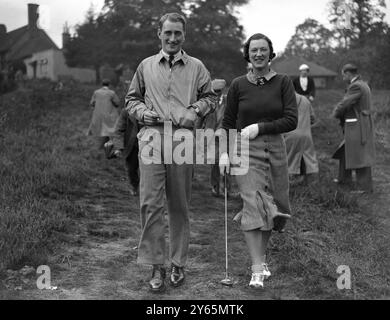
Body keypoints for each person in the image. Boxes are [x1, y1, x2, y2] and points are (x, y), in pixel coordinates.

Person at [125, 12, 216, 293]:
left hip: (182, 140)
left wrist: (195, 111)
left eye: (178, 33)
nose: (173, 38)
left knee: (178, 204)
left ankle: (177, 263)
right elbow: (131, 99)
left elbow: (211, 97)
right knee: (150, 203)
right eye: (168, 33)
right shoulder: (146, 65)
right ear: (159, 34)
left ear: (184, 36)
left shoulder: (197, 67)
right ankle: (156, 264)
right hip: (152, 138)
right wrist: (143, 113)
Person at [219, 33, 297, 289]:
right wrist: (224, 152)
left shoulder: (283, 82)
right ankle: (256, 270)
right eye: (254, 50)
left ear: (270, 53)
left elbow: (291, 120)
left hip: (275, 147)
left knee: (271, 206)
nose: (259, 54)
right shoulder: (239, 85)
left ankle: (261, 260)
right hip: (244, 149)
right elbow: (228, 122)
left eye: (264, 50)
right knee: (253, 202)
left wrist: (260, 128)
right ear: (248, 54)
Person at [331, 63, 375, 193]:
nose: (342, 77)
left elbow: (346, 103)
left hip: (357, 124)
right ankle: (344, 179)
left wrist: (335, 113)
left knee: (360, 155)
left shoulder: (355, 86)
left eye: (343, 74)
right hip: (361, 123)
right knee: (345, 150)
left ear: (348, 73)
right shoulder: (364, 84)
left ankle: (364, 188)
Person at [203, 78, 231, 197]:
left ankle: (226, 189)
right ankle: (215, 186)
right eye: (214, 91)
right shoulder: (207, 102)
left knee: (226, 162)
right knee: (214, 162)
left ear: (223, 90)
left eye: (219, 91)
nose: (216, 93)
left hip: (225, 135)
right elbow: (200, 118)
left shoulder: (228, 102)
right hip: (211, 136)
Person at [284, 93, 319, 184]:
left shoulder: (282, 100)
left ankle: (292, 180)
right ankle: (311, 180)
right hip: (306, 134)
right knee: (307, 157)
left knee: (290, 158)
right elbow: (313, 118)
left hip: (289, 134)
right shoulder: (305, 100)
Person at [112, 109, 140, 196]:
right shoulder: (126, 111)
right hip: (132, 146)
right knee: (131, 170)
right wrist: (119, 147)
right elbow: (118, 130)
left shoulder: (155, 108)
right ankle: (134, 186)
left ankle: (147, 190)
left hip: (150, 146)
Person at [87, 79, 121, 152]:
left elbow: (92, 103)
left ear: (102, 84)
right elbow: (117, 103)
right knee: (111, 129)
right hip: (108, 115)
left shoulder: (96, 92)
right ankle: (109, 146)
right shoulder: (111, 93)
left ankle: (102, 147)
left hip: (98, 115)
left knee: (102, 130)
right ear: (109, 85)